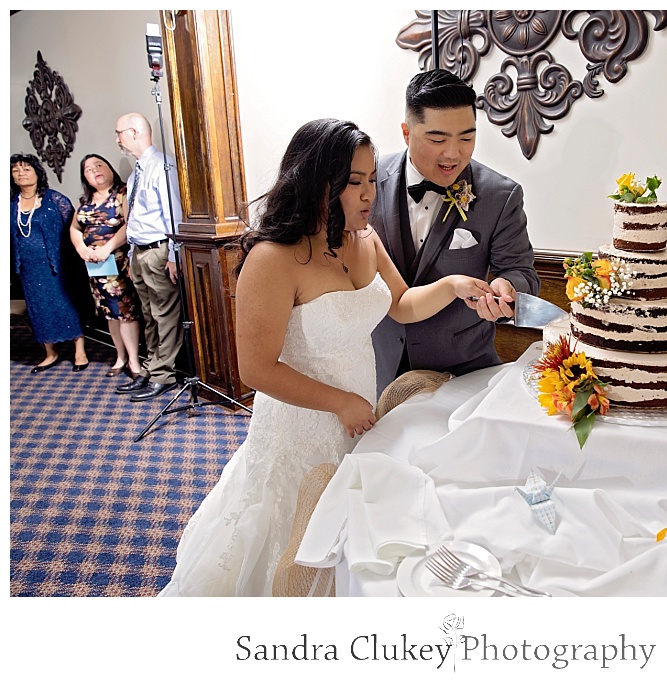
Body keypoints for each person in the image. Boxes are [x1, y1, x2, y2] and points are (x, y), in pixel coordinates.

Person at [158, 118, 491, 597]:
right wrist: (338, 401)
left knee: (348, 540)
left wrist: (455, 286)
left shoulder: (365, 241)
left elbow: (401, 305)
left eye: (372, 180)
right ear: (314, 182)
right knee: (293, 539)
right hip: (301, 424)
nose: (368, 194)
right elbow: (256, 369)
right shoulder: (273, 258)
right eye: (353, 183)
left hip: (358, 417)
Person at [370, 68, 540, 395]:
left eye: (467, 137)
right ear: (407, 133)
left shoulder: (500, 196)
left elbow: (522, 272)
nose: (453, 153)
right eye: (437, 139)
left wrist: (505, 287)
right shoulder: (366, 181)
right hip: (374, 371)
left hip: (463, 377)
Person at [113, 112, 183, 401]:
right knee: (149, 315)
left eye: (119, 133)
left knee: (164, 313)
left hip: (158, 250)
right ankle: (150, 367)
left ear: (134, 132)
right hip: (140, 253)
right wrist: (131, 256)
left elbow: (173, 212)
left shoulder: (162, 167)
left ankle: (164, 374)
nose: (117, 139)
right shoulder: (136, 174)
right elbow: (136, 221)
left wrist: (174, 256)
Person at [10, 153, 90, 372]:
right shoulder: (10, 204)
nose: (21, 173)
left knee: (65, 304)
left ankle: (80, 351)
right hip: (28, 268)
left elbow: (74, 229)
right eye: (16, 170)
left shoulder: (55, 199)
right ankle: (50, 353)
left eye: (26, 169)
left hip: (56, 265)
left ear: (37, 172)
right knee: (38, 309)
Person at [69, 153, 143, 380]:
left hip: (119, 264)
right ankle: (119, 356)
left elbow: (128, 225)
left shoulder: (123, 193)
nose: (94, 171)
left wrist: (106, 248)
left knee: (125, 313)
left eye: (99, 165)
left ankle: (134, 360)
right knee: (110, 314)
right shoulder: (85, 201)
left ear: (109, 168)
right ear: (85, 178)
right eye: (88, 169)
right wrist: (82, 249)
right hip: (96, 269)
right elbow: (75, 228)